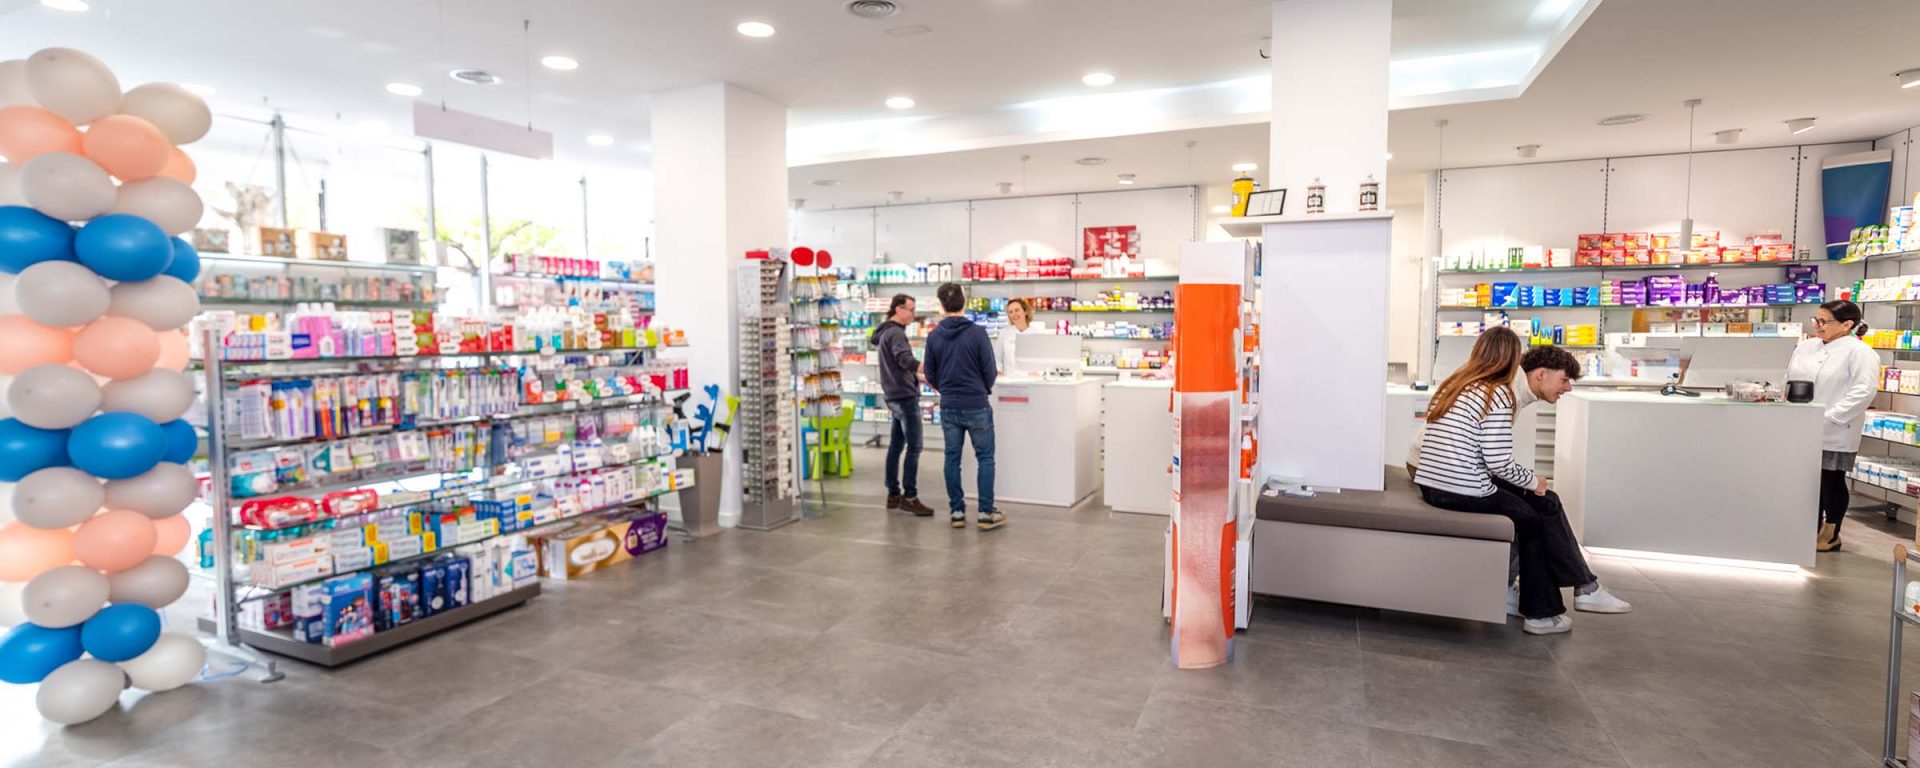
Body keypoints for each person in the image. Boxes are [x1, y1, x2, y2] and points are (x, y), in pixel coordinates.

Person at [1411, 328, 1630, 635]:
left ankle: (1569, 594)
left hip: (1435, 483)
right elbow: (1497, 461)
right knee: (1531, 520)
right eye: (1565, 380)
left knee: (1543, 504)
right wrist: (1532, 480)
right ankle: (1542, 612)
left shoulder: (1459, 384)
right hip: (1463, 487)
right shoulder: (1498, 392)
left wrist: (1530, 483)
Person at [1786, 299, 1879, 552]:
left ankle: (1831, 533)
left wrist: (1831, 416)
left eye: (1824, 321)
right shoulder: (1806, 347)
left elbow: (1863, 392)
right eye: (1815, 320)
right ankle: (1807, 529)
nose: (1817, 325)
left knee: (1831, 480)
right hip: (1801, 426)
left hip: (1836, 428)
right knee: (1805, 481)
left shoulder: (1860, 352)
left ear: (1847, 324)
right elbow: (1790, 380)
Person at [923, 282, 1005, 530]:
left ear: (941, 305)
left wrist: (945, 389)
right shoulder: (978, 333)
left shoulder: (934, 335)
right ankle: (985, 512)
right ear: (965, 302)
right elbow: (989, 371)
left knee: (951, 458)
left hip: (949, 405)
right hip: (976, 403)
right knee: (986, 458)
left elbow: (930, 374)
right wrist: (981, 389)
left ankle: (957, 511)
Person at [870, 294, 935, 516]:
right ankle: (910, 497)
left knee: (896, 445)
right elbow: (905, 360)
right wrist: (929, 368)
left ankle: (893, 494)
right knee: (914, 447)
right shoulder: (896, 333)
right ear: (898, 309)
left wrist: (921, 378)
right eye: (911, 309)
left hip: (894, 394)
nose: (914, 314)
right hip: (904, 397)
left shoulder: (885, 332)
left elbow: (900, 367)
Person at [1000, 297, 1039, 373]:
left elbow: (1041, 359)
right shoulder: (1004, 334)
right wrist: (998, 371)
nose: (1014, 314)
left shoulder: (1037, 334)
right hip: (1008, 380)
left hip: (1031, 380)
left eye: (1017, 310)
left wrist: (1038, 373)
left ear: (1025, 312)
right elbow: (997, 358)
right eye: (1010, 312)